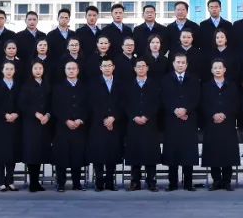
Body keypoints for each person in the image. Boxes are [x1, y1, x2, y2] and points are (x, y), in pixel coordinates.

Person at [160, 54, 201, 191]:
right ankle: (172, 183)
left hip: (188, 120)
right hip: (171, 120)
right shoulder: (165, 79)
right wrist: (175, 110)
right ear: (173, 64)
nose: (180, 64)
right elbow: (163, 98)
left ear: (186, 65)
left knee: (188, 152)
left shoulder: (194, 79)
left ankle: (188, 183)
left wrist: (186, 110)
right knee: (172, 152)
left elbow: (196, 98)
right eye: (178, 62)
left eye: (183, 62)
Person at [200, 59, 240, 191]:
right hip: (212, 124)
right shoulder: (206, 86)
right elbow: (203, 104)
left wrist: (225, 114)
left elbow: (236, 103)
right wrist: (213, 115)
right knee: (213, 152)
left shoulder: (232, 85)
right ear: (211, 70)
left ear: (224, 70)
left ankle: (227, 181)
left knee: (228, 152)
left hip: (228, 123)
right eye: (215, 68)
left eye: (220, 67)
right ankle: (216, 181)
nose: (217, 70)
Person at [125, 57, 163, 191]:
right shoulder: (128, 85)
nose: (141, 68)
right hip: (134, 123)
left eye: (143, 66)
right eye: (138, 66)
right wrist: (134, 116)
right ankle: (135, 181)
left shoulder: (154, 84)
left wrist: (147, 116)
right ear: (134, 69)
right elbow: (125, 103)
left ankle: (151, 181)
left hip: (150, 123)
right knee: (134, 152)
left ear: (147, 68)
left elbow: (157, 102)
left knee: (150, 152)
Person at [87, 56, 124, 191]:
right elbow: (92, 103)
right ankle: (99, 182)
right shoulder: (93, 83)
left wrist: (113, 117)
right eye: (104, 66)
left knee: (112, 153)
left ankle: (110, 182)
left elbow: (123, 103)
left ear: (113, 67)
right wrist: (104, 119)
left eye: (109, 66)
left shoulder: (120, 83)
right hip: (98, 123)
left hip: (115, 123)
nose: (107, 68)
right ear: (100, 68)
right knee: (98, 153)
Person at [52, 60, 88, 192]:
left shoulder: (84, 87)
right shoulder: (58, 87)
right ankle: (61, 183)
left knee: (77, 155)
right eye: (68, 68)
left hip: (79, 127)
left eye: (73, 68)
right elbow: (55, 106)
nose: (71, 71)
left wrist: (80, 119)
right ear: (65, 71)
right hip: (63, 127)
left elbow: (88, 106)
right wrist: (66, 120)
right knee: (61, 156)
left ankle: (77, 183)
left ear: (78, 70)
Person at [19, 59, 53, 192]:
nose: (38, 71)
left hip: (44, 123)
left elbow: (52, 103)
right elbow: (22, 104)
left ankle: (36, 182)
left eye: (40, 68)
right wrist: (35, 113)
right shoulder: (26, 85)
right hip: (31, 123)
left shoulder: (48, 84)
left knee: (39, 152)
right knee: (31, 152)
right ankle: (32, 182)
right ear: (31, 70)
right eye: (35, 68)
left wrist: (48, 115)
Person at [0, 59, 22, 192]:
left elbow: (22, 103)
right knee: (0, 153)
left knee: (11, 153)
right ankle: (1, 181)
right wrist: (4, 115)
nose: (9, 71)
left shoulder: (18, 86)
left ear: (14, 71)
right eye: (7, 69)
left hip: (14, 123)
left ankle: (10, 180)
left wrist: (16, 114)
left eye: (11, 69)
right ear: (2, 70)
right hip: (0, 124)